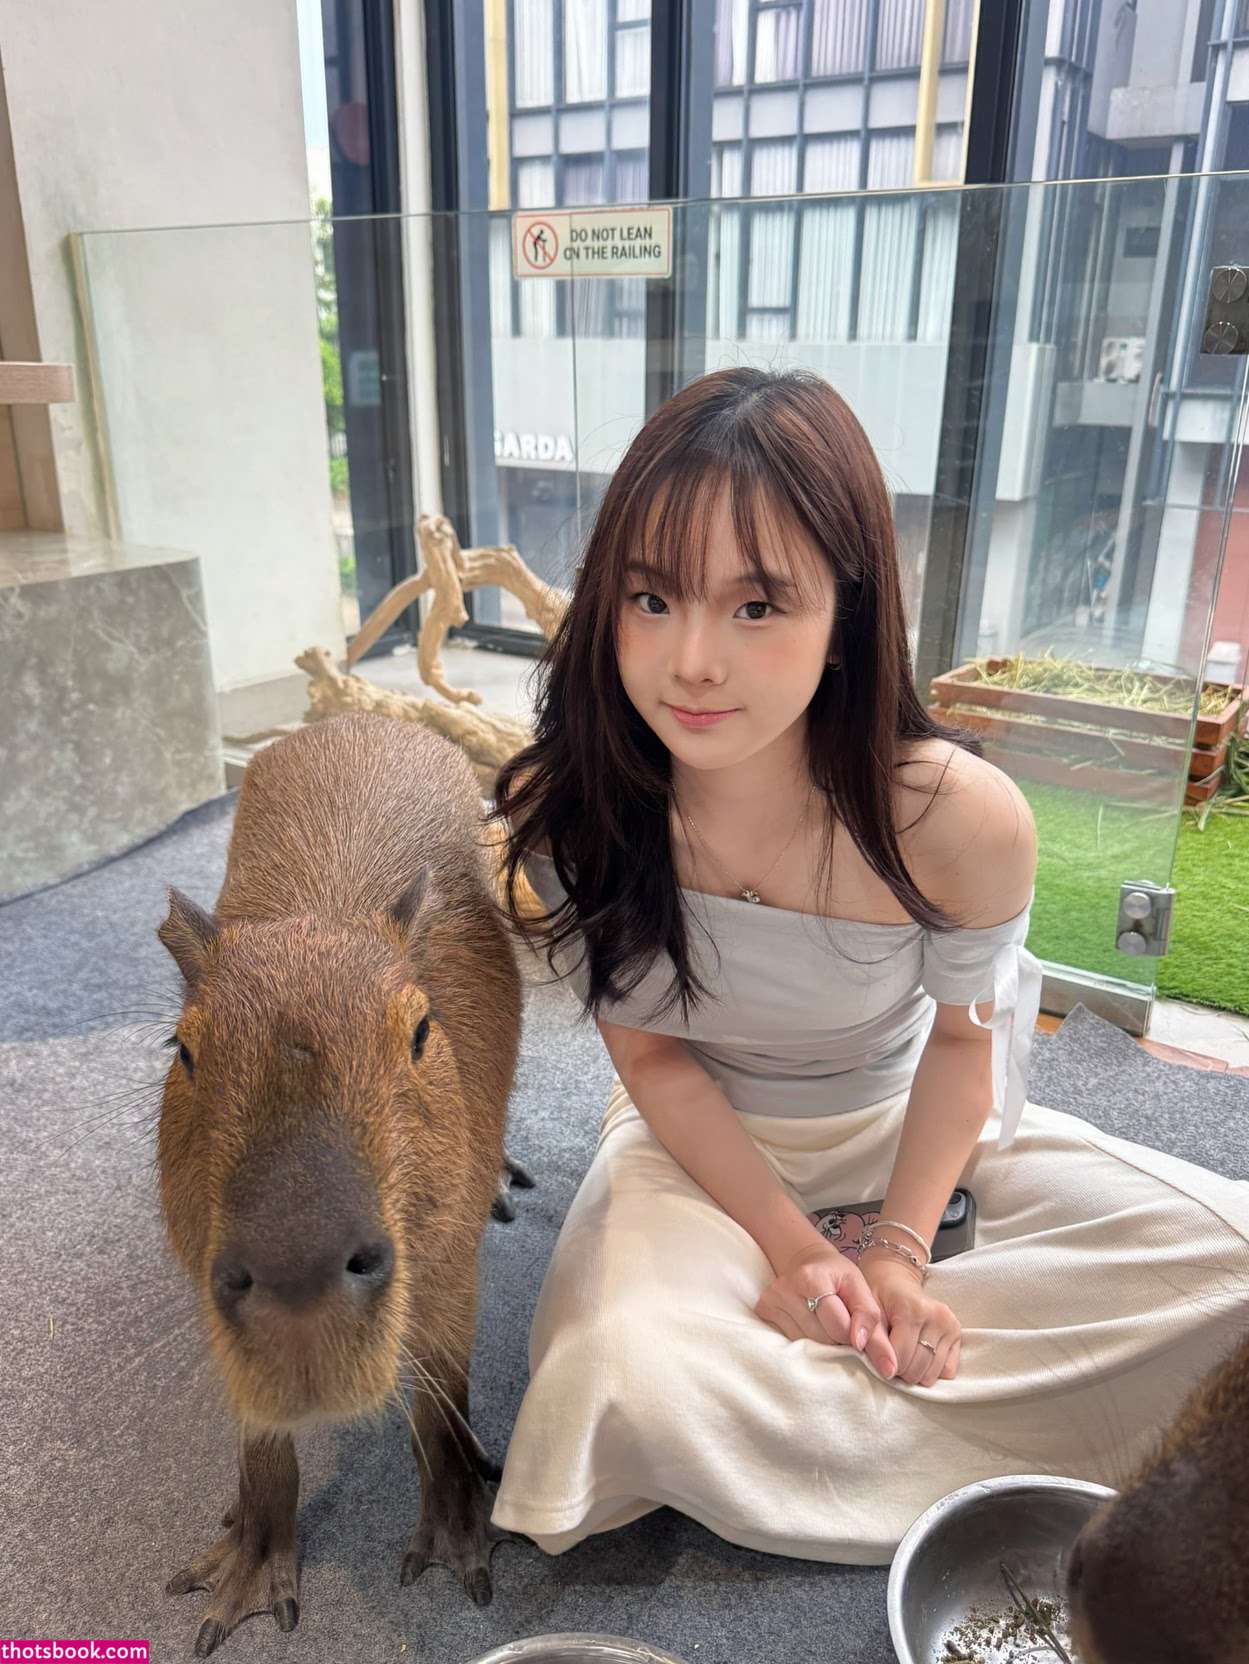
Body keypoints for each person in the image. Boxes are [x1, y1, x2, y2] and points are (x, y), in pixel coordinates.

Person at [486, 366, 1249, 1564]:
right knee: (616, 1369)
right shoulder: (578, 811)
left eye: (755, 606)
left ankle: (847, 1394)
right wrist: (793, 1246)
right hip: (700, 1147)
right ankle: (931, 1400)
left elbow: (960, 1048)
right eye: (651, 597)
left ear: (846, 609)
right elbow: (655, 1062)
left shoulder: (955, 818)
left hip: (912, 1129)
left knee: (1230, 1272)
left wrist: (895, 1246)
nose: (691, 660)